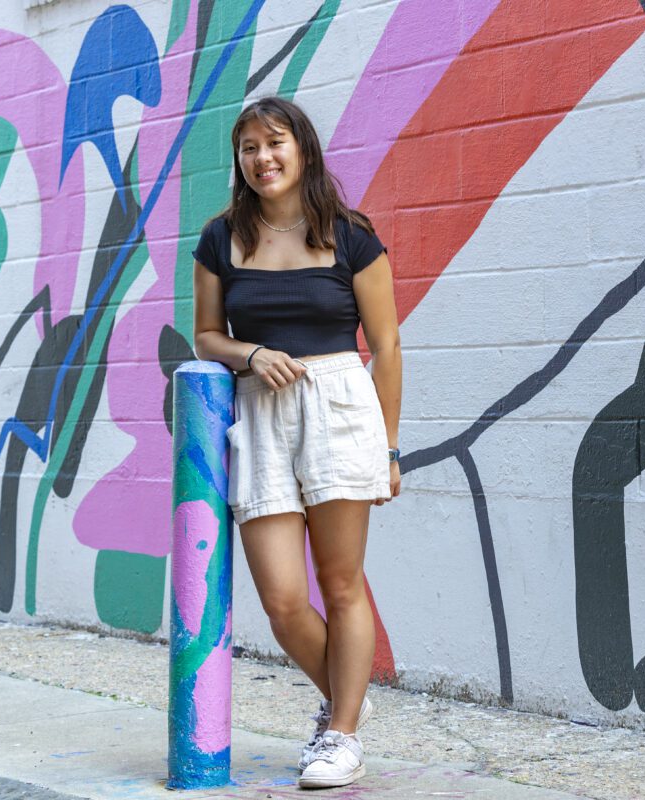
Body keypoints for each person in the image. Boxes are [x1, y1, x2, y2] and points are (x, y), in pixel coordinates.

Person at [191, 96, 402, 789]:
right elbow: (207, 336)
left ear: (302, 149)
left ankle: (339, 734)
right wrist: (249, 355)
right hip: (259, 412)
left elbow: (388, 345)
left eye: (274, 143)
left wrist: (391, 448)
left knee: (341, 585)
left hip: (338, 406)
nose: (262, 158)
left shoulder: (351, 236)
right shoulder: (221, 237)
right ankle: (349, 699)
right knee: (283, 601)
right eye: (248, 147)